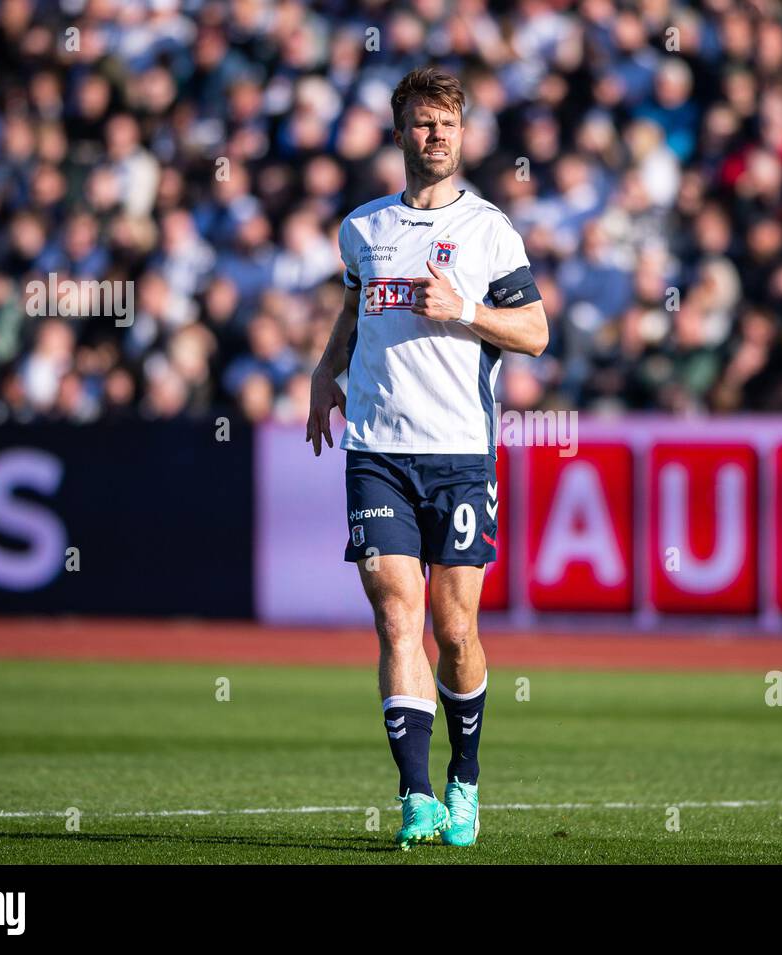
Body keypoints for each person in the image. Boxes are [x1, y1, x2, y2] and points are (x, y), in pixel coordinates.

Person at [307, 66, 548, 849]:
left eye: (447, 122)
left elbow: (535, 332)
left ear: (463, 133)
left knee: (455, 625)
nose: (435, 134)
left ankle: (464, 777)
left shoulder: (490, 230)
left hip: (459, 453)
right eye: (421, 121)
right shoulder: (364, 228)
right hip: (377, 449)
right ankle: (415, 792)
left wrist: (465, 309)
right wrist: (325, 371)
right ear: (401, 132)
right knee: (395, 613)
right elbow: (355, 305)